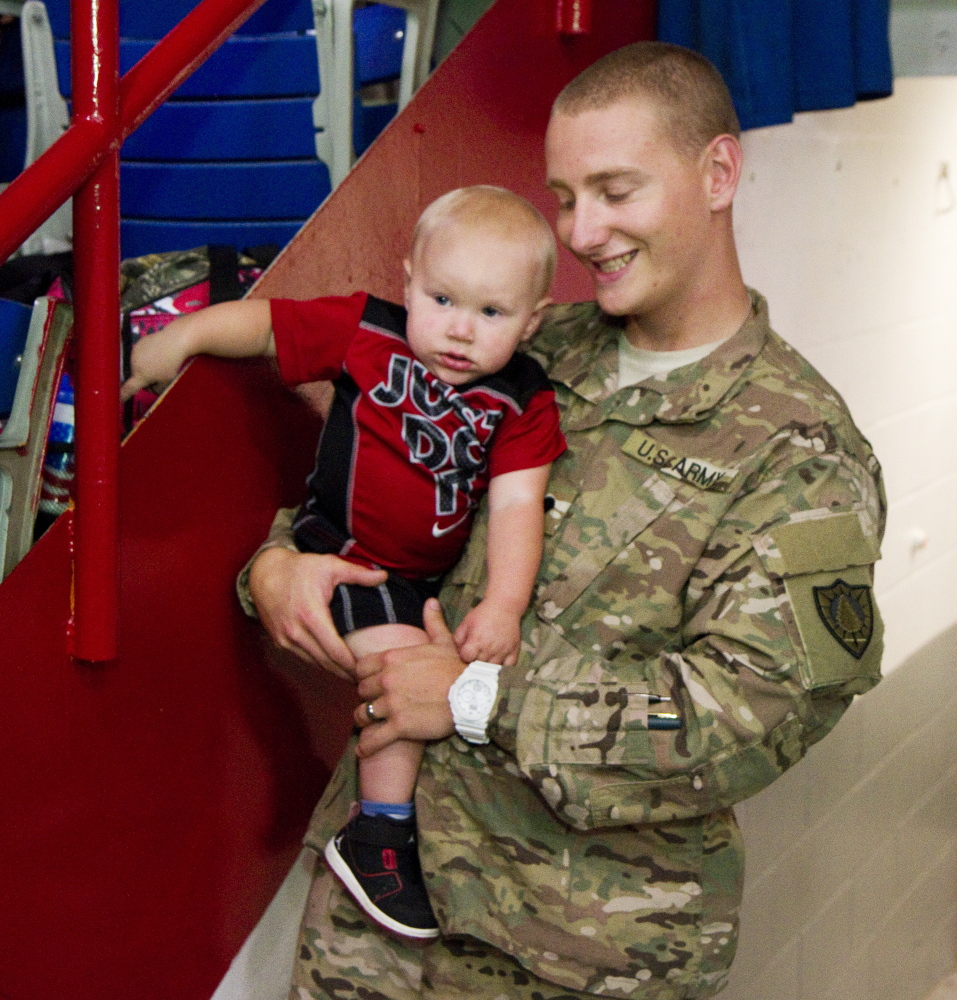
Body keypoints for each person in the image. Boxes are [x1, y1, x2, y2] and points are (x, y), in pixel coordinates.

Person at [243, 41, 886, 1000]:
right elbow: (360, 493)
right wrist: (274, 569)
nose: (583, 232)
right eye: (564, 197)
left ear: (718, 172)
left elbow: (752, 716)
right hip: (375, 918)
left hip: (575, 955)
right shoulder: (512, 346)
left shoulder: (798, 446)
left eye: (616, 191)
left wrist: (473, 700)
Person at [122, 186, 567, 940]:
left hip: (422, 583)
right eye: (442, 299)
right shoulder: (371, 332)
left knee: (434, 663)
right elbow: (268, 325)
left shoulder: (522, 400)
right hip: (342, 554)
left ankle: (396, 826)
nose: (459, 329)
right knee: (400, 672)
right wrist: (186, 336)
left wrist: (503, 605)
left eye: (491, 314)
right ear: (408, 282)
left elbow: (521, 506)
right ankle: (379, 834)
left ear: (534, 321)